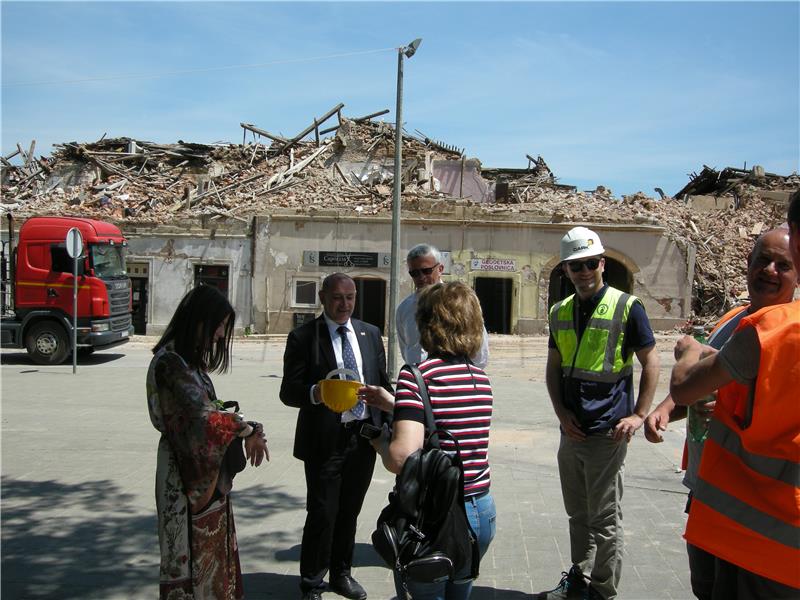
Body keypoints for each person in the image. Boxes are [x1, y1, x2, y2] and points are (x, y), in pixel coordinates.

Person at [645, 227, 797, 600]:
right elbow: (696, 391)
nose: (770, 271)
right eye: (763, 260)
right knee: (706, 588)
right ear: (748, 264)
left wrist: (689, 353)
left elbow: (686, 381)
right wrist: (666, 409)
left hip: (760, 513)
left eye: (784, 265)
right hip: (711, 489)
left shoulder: (781, 333)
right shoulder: (734, 319)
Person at [541, 226, 660, 600]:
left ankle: (603, 590)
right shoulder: (559, 311)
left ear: (602, 263)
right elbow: (552, 367)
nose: (584, 271)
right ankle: (580, 575)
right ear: (566, 270)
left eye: (590, 263)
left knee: (604, 519)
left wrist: (639, 414)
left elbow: (651, 361)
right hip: (571, 430)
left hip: (607, 431)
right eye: (576, 266)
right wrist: (561, 414)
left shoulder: (628, 307)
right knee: (577, 514)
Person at [360, 281, 495, 600]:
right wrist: (398, 404)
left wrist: (380, 442)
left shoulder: (416, 376)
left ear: (426, 323)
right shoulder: (479, 378)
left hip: (432, 514)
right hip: (479, 512)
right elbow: (448, 420)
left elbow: (401, 458)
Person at [147, 284, 269, 600]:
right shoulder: (170, 362)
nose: (218, 336)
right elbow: (204, 417)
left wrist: (241, 424)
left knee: (212, 560)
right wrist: (248, 429)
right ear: (199, 320)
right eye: (218, 327)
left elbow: (208, 412)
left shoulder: (186, 361)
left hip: (205, 473)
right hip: (182, 476)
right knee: (186, 560)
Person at [280, 273, 392, 600]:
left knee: (349, 511)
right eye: (337, 298)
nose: (344, 305)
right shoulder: (304, 337)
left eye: (350, 297)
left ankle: (342, 573)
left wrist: (386, 423)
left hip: (363, 439)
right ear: (322, 297)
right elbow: (288, 391)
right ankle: (312, 581)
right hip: (324, 441)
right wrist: (317, 392)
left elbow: (382, 382)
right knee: (323, 512)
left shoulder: (370, 334)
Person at [397, 244, 489, 369]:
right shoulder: (405, 308)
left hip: (455, 381)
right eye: (414, 273)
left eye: (426, 271)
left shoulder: (461, 302)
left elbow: (479, 348)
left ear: (440, 269)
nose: (421, 277)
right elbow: (405, 347)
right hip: (419, 382)